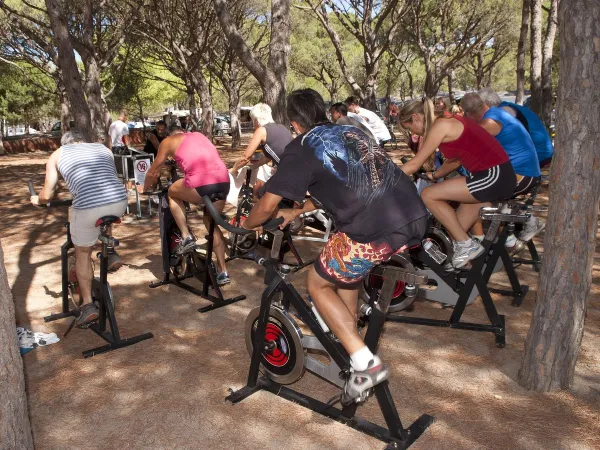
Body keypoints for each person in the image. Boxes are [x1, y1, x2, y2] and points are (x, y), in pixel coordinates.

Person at [242, 89, 428, 402]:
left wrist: (245, 225)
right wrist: (297, 210)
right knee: (344, 269)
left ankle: (366, 364)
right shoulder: (351, 130)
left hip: (374, 229)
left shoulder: (299, 147)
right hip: (413, 213)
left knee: (317, 283)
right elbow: (344, 181)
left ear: (294, 124)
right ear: (324, 112)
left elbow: (265, 206)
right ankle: (348, 332)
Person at [399, 98, 517, 268]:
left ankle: (467, 246)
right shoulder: (448, 120)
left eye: (411, 129)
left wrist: (384, 181)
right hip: (491, 176)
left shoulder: (441, 125)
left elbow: (414, 164)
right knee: (455, 229)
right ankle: (468, 274)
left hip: (494, 175)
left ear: (416, 117)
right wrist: (435, 175)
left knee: (428, 195)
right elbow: (455, 160)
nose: (414, 134)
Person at [30, 129, 128, 324]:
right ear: (83, 140)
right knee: (101, 214)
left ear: (63, 143)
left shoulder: (58, 154)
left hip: (89, 207)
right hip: (119, 201)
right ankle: (110, 250)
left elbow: (47, 195)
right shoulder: (102, 148)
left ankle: (87, 304)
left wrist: (37, 199)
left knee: (82, 252)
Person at [141, 126, 232, 285]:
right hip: (223, 180)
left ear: (170, 135)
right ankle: (223, 271)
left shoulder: (168, 141)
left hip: (201, 183)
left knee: (172, 192)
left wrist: (144, 189)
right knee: (211, 223)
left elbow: (154, 171)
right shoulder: (199, 135)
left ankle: (186, 236)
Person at [461, 92, 545, 243]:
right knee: (475, 190)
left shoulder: (489, 122)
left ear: (470, 114)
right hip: (526, 172)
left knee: (473, 192)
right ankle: (502, 237)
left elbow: (466, 147)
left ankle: (519, 226)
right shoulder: (497, 113)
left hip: (522, 175)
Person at [478, 87, 554, 167]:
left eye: (478, 106)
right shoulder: (508, 107)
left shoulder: (503, 112)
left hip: (539, 156)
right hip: (544, 153)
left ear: (486, 103)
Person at [229, 103, 293, 192]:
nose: (253, 124)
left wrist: (233, 170)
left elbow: (245, 158)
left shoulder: (262, 130)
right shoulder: (281, 127)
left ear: (256, 120)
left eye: (253, 120)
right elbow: (268, 157)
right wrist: (253, 167)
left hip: (290, 172)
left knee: (262, 196)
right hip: (296, 168)